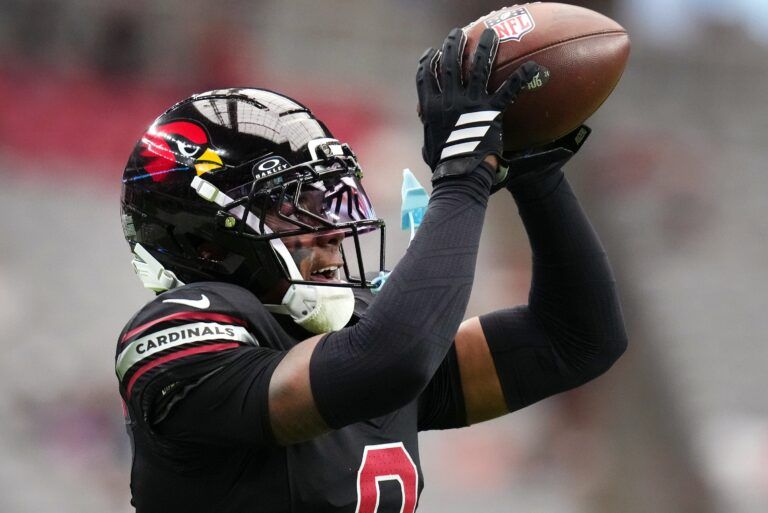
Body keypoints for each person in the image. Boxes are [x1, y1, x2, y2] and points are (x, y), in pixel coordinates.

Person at [116, 28, 627, 513]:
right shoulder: (175, 333)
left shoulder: (357, 333)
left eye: (326, 200)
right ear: (203, 244)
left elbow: (577, 340)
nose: (332, 228)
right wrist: (462, 176)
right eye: (293, 206)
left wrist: (535, 174)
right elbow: (388, 360)